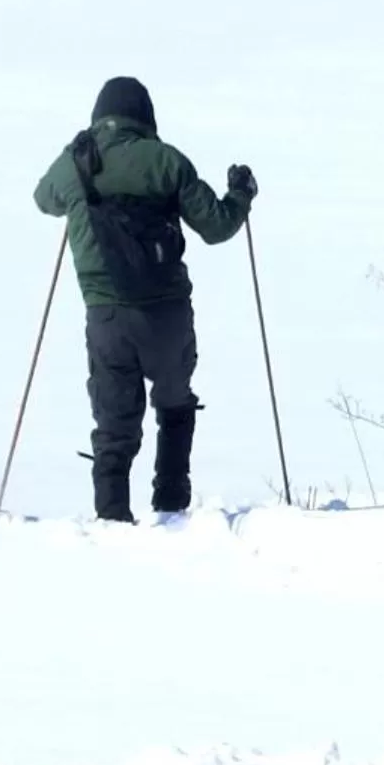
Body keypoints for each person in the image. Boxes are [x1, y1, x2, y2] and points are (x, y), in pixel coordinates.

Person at [35, 77, 256, 523]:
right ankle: (172, 506)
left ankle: (112, 518)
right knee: (175, 402)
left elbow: (44, 200)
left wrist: (76, 159)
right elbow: (215, 228)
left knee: (114, 422)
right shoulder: (166, 160)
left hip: (106, 314)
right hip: (167, 314)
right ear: (146, 117)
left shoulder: (77, 162)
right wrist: (240, 195)